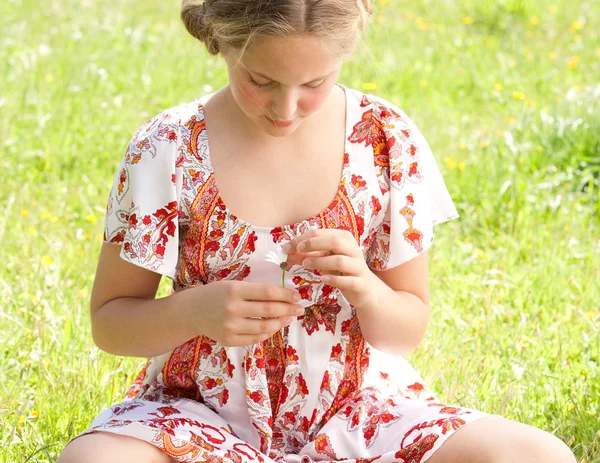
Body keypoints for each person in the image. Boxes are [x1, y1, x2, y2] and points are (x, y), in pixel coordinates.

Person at [57, 1, 577, 462]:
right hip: (200, 414)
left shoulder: (384, 141)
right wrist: (194, 310)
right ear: (222, 43)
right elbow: (111, 323)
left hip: (360, 413)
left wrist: (367, 287)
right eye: (260, 80)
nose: (286, 110)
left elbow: (408, 326)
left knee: (539, 455)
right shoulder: (168, 148)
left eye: (314, 84)